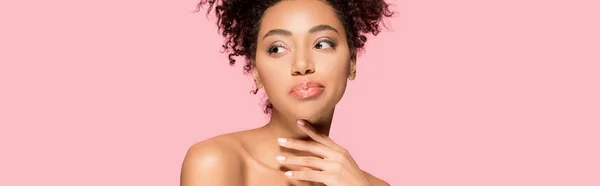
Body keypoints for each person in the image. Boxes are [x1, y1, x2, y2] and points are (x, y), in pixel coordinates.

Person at [180, 0, 394, 185]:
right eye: (277, 48)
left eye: (322, 44)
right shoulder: (216, 163)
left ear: (352, 62)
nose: (302, 65)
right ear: (256, 72)